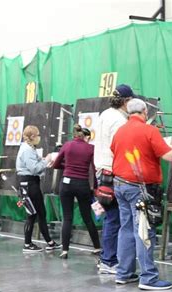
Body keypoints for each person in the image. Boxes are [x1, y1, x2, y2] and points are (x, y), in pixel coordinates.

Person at [111, 98, 172, 290]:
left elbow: (115, 150)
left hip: (120, 185)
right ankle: (148, 277)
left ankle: (124, 273)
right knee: (144, 231)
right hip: (139, 188)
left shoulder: (120, 131)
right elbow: (169, 156)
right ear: (144, 111)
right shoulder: (149, 130)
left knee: (126, 228)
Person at [94, 84, 132, 274]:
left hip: (101, 171)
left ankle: (107, 259)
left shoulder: (104, 114)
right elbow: (120, 148)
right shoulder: (118, 120)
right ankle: (109, 261)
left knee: (111, 218)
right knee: (115, 218)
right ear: (126, 101)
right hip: (111, 172)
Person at [52, 124, 102, 259]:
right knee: (87, 217)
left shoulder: (67, 145)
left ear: (74, 135)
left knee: (67, 217)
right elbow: (94, 168)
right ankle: (97, 247)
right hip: (82, 184)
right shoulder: (91, 148)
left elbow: (56, 164)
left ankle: (65, 250)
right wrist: (95, 187)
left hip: (66, 183)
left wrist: (67, 165)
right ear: (87, 137)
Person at [16, 125, 62, 253]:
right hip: (29, 184)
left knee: (40, 213)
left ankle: (49, 242)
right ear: (32, 137)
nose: (39, 137)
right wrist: (46, 160)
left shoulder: (29, 148)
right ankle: (28, 244)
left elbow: (34, 164)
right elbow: (34, 169)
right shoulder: (27, 150)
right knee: (33, 214)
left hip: (31, 183)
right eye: (38, 135)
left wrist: (42, 160)